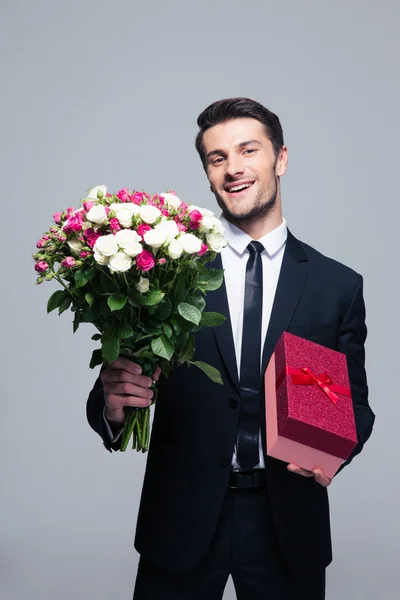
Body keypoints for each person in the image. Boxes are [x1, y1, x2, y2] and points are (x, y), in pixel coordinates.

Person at [86, 97, 375, 599]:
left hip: (288, 522)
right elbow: (118, 385)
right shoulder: (168, 271)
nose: (233, 168)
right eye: (217, 158)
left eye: (248, 150)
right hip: (180, 519)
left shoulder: (336, 286)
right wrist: (112, 407)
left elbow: (355, 406)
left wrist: (333, 448)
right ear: (207, 172)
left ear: (281, 158)